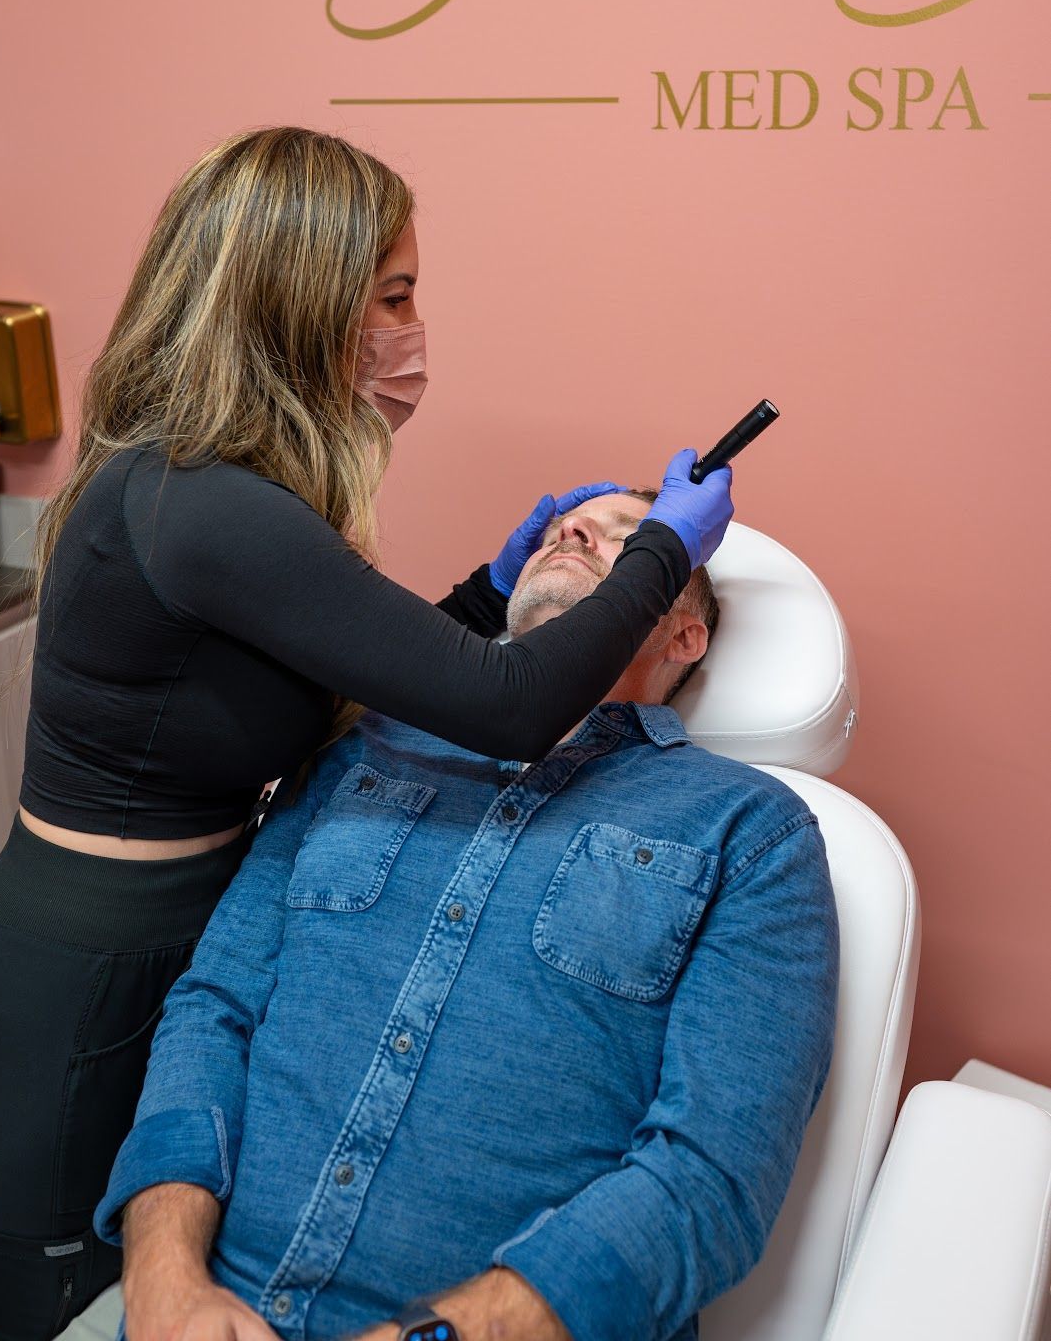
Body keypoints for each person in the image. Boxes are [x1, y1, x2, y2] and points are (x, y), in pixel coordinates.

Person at [0, 128, 735, 1341]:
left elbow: (371, 676)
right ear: (305, 301)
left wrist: (493, 599)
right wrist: (657, 553)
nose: (410, 327)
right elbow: (503, 703)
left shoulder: (741, 831)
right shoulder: (208, 503)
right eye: (392, 295)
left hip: (168, 921)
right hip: (93, 972)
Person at [97, 486, 840, 1341]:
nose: (576, 532)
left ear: (684, 635)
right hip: (205, 1309)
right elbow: (214, 1008)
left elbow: (710, 1174)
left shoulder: (749, 832)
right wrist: (163, 1280)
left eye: (632, 541)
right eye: (573, 524)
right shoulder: (364, 751)